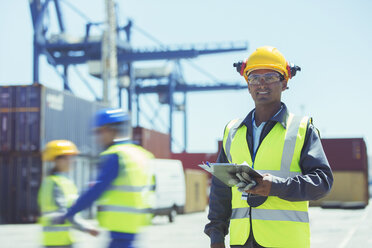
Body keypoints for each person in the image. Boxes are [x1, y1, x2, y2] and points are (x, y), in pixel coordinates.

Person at [204, 46, 333, 248]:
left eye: (271, 77)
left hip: (286, 242)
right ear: (248, 85)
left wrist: (275, 186)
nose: (261, 83)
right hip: (241, 242)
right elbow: (221, 189)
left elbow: (322, 182)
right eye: (254, 77)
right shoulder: (233, 131)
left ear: (284, 83)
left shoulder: (301, 130)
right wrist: (216, 235)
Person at [53, 108, 155, 248]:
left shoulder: (116, 155)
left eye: (100, 131)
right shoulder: (141, 154)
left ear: (111, 130)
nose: (98, 137)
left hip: (120, 227)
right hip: (135, 227)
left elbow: (97, 189)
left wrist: (70, 213)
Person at [38, 140, 99, 248]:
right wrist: (86, 227)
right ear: (57, 160)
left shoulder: (65, 181)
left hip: (65, 240)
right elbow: (65, 213)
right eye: (68, 157)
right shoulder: (53, 183)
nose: (72, 161)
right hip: (57, 242)